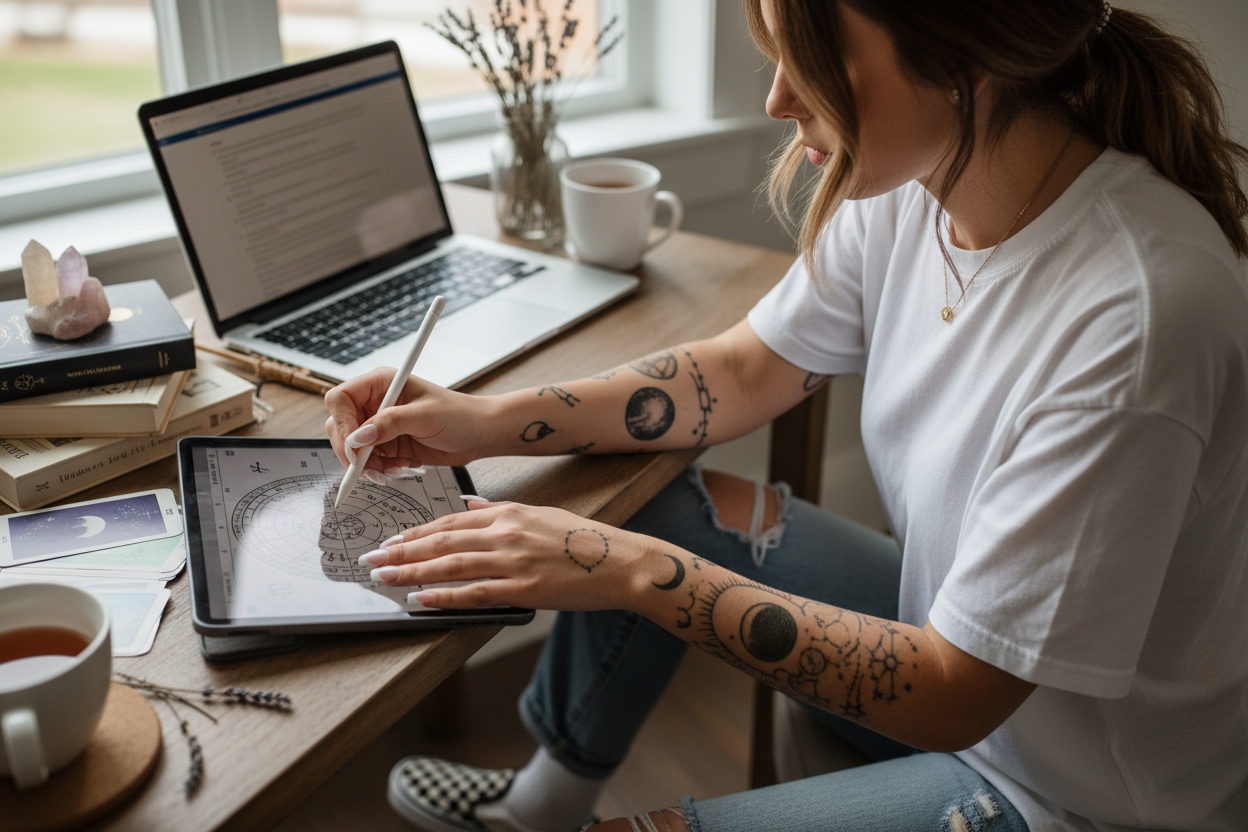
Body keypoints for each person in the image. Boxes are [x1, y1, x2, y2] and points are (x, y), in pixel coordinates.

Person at [324, 0, 1248, 829]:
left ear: (968, 58)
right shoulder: (922, 177)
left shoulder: (1133, 318)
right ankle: (540, 807)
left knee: (630, 546)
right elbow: (742, 369)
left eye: (809, 55)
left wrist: (629, 573)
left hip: (1070, 787)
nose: (776, 98)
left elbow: (957, 697)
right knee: (652, 502)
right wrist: (480, 421)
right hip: (953, 641)